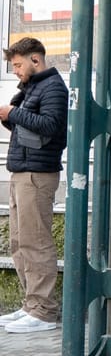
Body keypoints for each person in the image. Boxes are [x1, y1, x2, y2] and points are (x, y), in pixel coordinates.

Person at [2, 37, 68, 335]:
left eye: (18, 65)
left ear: (35, 60)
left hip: (37, 175)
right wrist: (10, 116)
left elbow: (51, 126)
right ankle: (32, 304)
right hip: (22, 171)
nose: (15, 71)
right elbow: (27, 128)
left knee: (36, 241)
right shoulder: (32, 87)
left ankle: (44, 310)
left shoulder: (53, 87)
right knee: (19, 242)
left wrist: (13, 113)